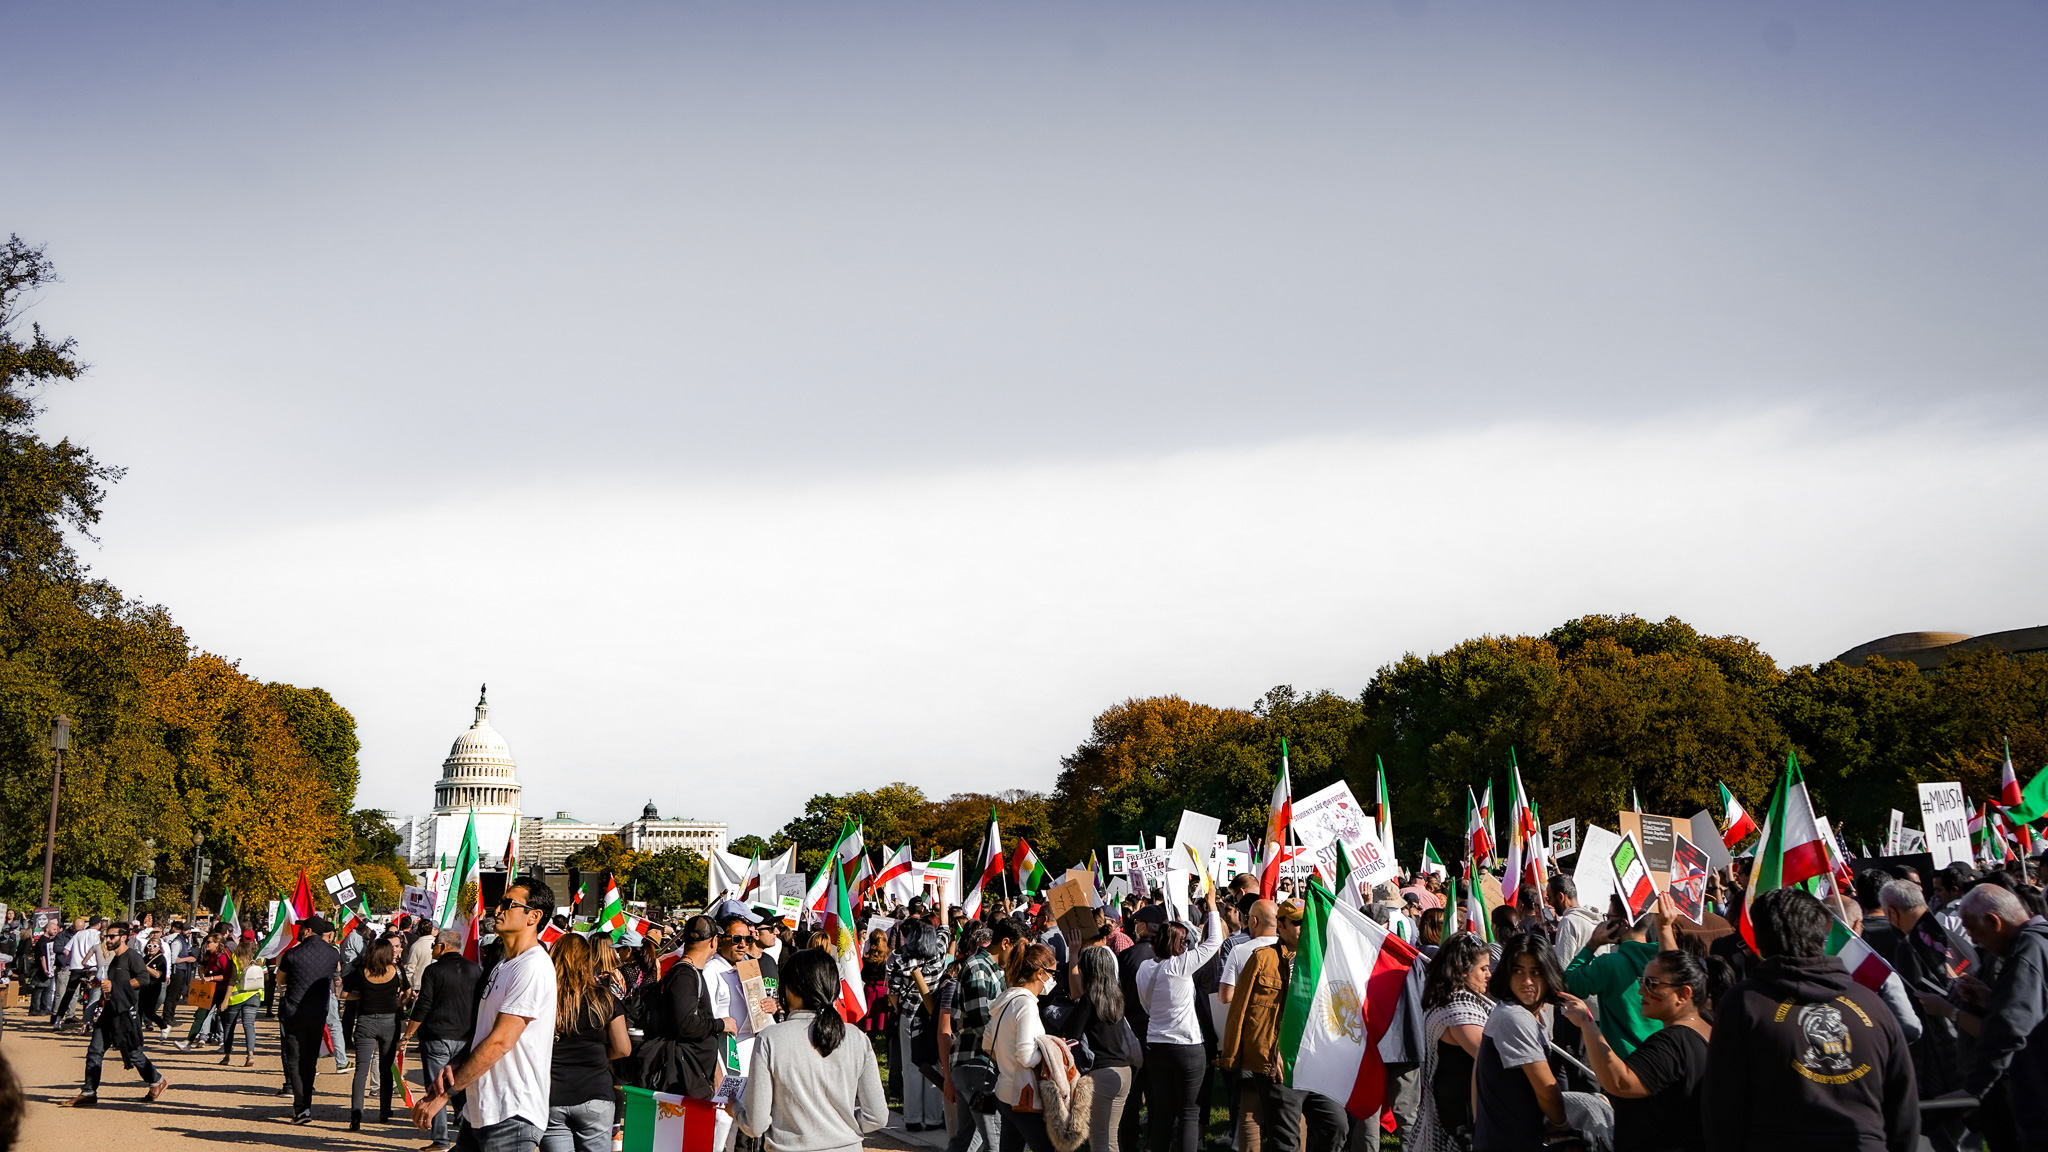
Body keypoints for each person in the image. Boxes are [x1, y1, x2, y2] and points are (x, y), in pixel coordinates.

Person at [1703, 887, 1918, 1152]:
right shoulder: (1871, 1004)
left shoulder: (1745, 1004)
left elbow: (1722, 1103)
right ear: (1822, 934)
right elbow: (1904, 1107)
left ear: (1756, 939)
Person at [412, 877, 560, 1151]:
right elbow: (484, 1033)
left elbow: (501, 1041)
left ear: (534, 917)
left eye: (508, 904)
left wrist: (445, 1095)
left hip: (512, 1112)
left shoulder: (533, 967)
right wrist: (455, 1064)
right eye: (500, 903)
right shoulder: (505, 965)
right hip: (481, 1108)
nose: (498, 910)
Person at [1220, 896, 1343, 1152]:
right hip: (1277, 1066)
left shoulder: (1325, 959)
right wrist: (1240, 1056)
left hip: (1317, 1062)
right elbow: (1240, 1011)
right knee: (1285, 1140)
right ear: (1281, 925)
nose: (1304, 927)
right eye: (1298, 923)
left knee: (1336, 1125)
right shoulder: (1262, 958)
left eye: (1307, 922)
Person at [736, 947, 888, 1152]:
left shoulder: (770, 1039)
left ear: (791, 988)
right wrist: (842, 1132)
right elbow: (877, 1116)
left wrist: (734, 1107)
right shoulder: (857, 1038)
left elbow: (756, 1123)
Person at [1559, 950, 1711, 1152]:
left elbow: (1620, 1081)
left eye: (1652, 984)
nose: (1641, 991)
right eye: (1642, 982)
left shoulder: (1674, 1043)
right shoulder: (1707, 1027)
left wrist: (1587, 1023)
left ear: (1684, 994)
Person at [1474, 932, 1586, 1152]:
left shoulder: (1524, 1014)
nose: (1527, 981)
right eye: (1518, 971)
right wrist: (1562, 1124)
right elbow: (1546, 1089)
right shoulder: (1515, 1017)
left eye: (1536, 972)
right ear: (1506, 973)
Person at [1138, 888, 1223, 1152]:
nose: (1188, 946)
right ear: (1179, 944)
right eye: (1185, 943)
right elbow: (1214, 942)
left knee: (1163, 1110)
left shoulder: (1145, 967)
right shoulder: (1180, 965)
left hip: (1155, 1044)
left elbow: (1146, 1005)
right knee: (1189, 1112)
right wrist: (1211, 907)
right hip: (1186, 1046)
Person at [60, 922, 169, 1107]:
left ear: (124, 937)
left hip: (125, 1012)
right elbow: (115, 982)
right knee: (95, 1050)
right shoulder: (115, 958)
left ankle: (157, 1080)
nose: (107, 940)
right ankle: (88, 1092)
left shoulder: (132, 956)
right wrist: (100, 984)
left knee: (133, 1052)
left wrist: (116, 986)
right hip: (110, 1010)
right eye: (106, 936)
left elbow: (143, 979)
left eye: (111, 936)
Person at [543, 932, 629, 1152]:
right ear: (588, 960)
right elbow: (623, 1048)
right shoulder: (605, 998)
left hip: (551, 1096)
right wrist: (599, 1053)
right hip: (596, 1094)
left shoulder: (543, 997)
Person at [1564, 895, 1679, 1057]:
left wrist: (1592, 945)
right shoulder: (1667, 958)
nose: (1605, 922)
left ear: (1622, 924)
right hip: (1664, 1057)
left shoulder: (1608, 964)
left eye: (1609, 917)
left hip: (1624, 1062)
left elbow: (1568, 984)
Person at [945, 917, 1024, 1152]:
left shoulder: (994, 969)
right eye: (1022, 948)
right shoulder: (978, 968)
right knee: (997, 1143)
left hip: (976, 1065)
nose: (1023, 955)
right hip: (977, 1065)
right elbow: (982, 1021)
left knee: (965, 1141)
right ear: (1006, 943)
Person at [1415, 932, 1494, 1152]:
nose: (1488, 975)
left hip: (1460, 1102)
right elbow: (1489, 1054)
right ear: (1462, 971)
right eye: (1483, 969)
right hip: (1464, 1109)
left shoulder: (1453, 998)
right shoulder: (1459, 1008)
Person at [407, 930, 483, 1152]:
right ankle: (462, 1127)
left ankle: (440, 1139)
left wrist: (408, 1034)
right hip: (466, 1038)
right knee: (461, 1084)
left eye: (434, 946)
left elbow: (424, 1005)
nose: (432, 950)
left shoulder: (433, 970)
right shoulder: (475, 969)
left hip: (438, 1036)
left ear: (442, 946)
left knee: (436, 1088)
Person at [989, 942, 1063, 1152]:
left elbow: (988, 1043)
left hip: (1005, 1091)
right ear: (1040, 973)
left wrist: (1006, 1060)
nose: (1053, 979)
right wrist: (1051, 1049)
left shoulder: (1005, 999)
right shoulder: (1026, 1005)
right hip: (1023, 1096)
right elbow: (1026, 1056)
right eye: (1052, 973)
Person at [1065, 944, 1138, 1152]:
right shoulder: (1117, 998)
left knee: (1098, 1140)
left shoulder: (1089, 1001)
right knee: (1111, 1139)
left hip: (1102, 1075)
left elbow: (1072, 1035)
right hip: (1124, 1073)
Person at [341, 923, 409, 1130]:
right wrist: (398, 1002)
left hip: (365, 1021)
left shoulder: (361, 971)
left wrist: (363, 996)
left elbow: (343, 994)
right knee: (386, 1067)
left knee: (361, 1069)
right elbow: (407, 992)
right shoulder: (396, 971)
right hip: (389, 1022)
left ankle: (356, 1114)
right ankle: (384, 1111)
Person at [277, 916, 344, 1124]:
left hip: (294, 1011)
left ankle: (301, 1108)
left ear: (307, 931)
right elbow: (336, 974)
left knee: (295, 1060)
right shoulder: (332, 953)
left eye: (302, 928)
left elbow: (280, 980)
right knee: (310, 1060)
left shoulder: (293, 954)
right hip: (318, 1012)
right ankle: (306, 1105)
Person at [889, 908, 948, 1132]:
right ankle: (933, 1119)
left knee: (911, 1065)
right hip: (933, 1015)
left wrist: (901, 1009)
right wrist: (942, 896)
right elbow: (944, 929)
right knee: (934, 1062)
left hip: (909, 1014)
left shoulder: (899, 957)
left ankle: (913, 1118)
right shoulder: (939, 952)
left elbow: (893, 994)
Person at [217, 931, 266, 1066]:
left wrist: (225, 1000)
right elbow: (265, 977)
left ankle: (227, 1056)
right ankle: (250, 1054)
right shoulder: (260, 958)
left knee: (229, 1026)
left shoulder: (236, 957)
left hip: (237, 997)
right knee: (249, 1025)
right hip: (255, 995)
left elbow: (232, 980)